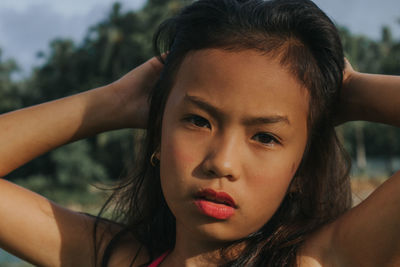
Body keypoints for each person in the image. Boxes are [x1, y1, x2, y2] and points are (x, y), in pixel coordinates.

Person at [0, 0, 399, 266]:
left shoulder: (323, 260)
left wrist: (352, 92)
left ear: (303, 172)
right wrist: (113, 102)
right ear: (158, 134)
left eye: (265, 137)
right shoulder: (113, 257)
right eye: (197, 121)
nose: (221, 163)